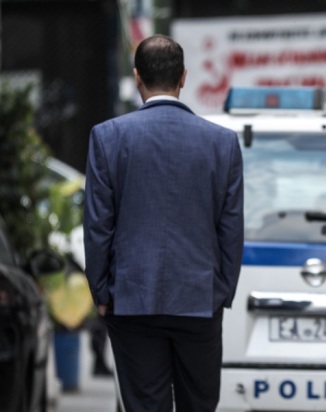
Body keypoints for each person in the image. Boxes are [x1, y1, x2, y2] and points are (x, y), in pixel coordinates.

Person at [83, 35, 244, 412]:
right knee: (199, 403)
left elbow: (98, 226)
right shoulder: (221, 143)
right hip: (199, 298)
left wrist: (102, 294)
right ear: (183, 76)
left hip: (132, 298)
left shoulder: (107, 137)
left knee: (144, 405)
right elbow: (231, 227)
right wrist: (220, 291)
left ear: (137, 77)